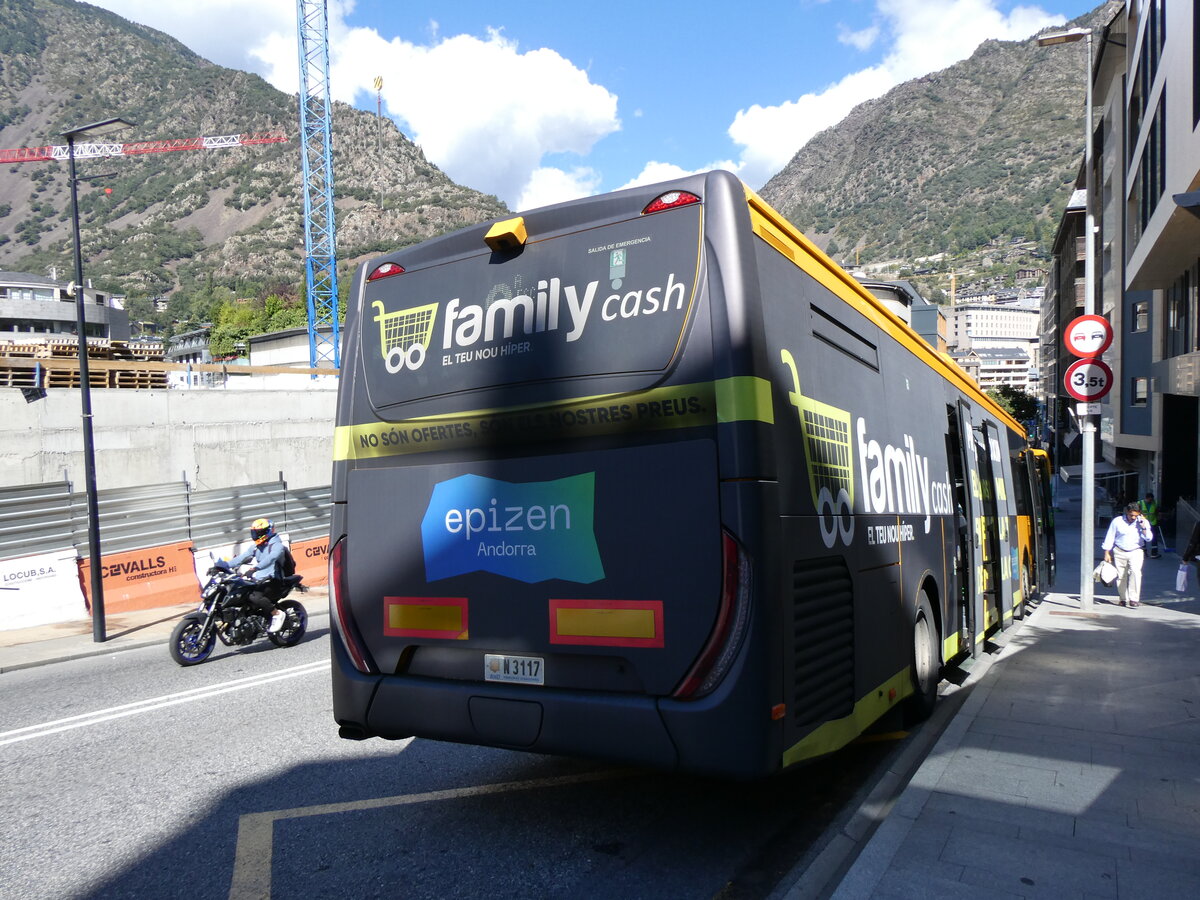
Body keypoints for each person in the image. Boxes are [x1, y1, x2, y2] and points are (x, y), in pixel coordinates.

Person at [225, 517, 287, 632]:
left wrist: (255, 568)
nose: (256, 535)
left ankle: (277, 613)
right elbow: (241, 557)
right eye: (255, 532)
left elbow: (271, 558)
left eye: (259, 532)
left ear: (267, 531)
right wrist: (223, 565)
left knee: (254, 596)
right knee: (239, 592)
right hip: (261, 579)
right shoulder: (256, 546)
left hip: (274, 580)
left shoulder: (277, 545)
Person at [1102, 503, 1155, 608]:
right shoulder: (1117, 521)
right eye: (1131, 515)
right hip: (1119, 551)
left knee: (1135, 573)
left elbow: (1149, 538)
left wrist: (1143, 526)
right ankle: (1123, 598)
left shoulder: (1142, 522)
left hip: (1136, 551)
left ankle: (1134, 599)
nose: (1133, 518)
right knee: (1121, 576)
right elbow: (1110, 536)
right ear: (1127, 512)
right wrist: (1107, 552)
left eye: (1136, 515)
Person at [1138, 492, 1161, 558]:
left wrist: (1158, 517)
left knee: (1154, 538)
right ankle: (1144, 553)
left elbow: (1156, 511)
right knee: (1143, 537)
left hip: (1152, 522)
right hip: (1143, 523)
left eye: (1152, 499)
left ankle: (1154, 553)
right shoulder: (1140, 503)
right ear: (1146, 498)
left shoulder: (1154, 503)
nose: (1151, 501)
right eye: (1150, 500)